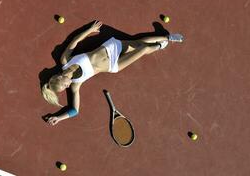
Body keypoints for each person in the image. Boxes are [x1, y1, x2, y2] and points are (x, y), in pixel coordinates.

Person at [41, 20, 183, 125]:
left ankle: (164, 40)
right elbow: (75, 109)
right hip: (113, 65)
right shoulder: (75, 85)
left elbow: (75, 41)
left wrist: (89, 30)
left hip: (110, 47)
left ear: (60, 77)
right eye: (65, 88)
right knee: (144, 49)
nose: (67, 87)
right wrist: (58, 118)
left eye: (63, 86)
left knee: (138, 43)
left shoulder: (65, 60)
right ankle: (163, 42)